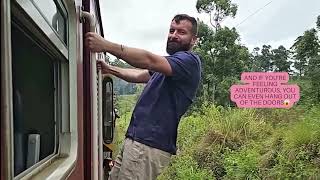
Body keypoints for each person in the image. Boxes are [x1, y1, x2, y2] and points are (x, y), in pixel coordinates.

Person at [85, 14, 201, 180]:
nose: (173, 35)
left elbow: (148, 60)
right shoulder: (168, 67)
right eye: (171, 30)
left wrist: (105, 45)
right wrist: (110, 69)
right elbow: (139, 75)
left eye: (181, 32)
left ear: (193, 40)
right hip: (137, 140)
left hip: (147, 145)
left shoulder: (189, 62)